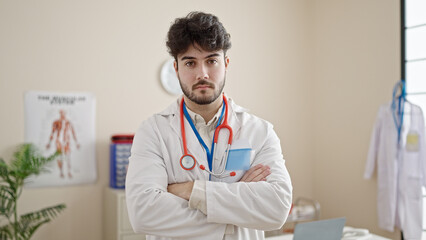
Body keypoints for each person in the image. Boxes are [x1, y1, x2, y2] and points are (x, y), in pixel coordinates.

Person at [125, 11, 292, 240]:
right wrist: (236, 212)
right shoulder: (153, 132)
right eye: (190, 63)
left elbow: (277, 208)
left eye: (211, 60)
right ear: (176, 68)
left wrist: (192, 190)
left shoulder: (260, 132)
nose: (202, 74)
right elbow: (143, 213)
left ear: (226, 63)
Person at [46, 109, 80, 178]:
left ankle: (69, 172)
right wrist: (49, 143)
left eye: (64, 114)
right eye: (61, 114)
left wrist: (76, 143)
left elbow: (73, 133)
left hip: (66, 141)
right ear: (60, 114)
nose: (63, 115)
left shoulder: (69, 123)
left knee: (68, 157)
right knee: (60, 157)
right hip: (59, 141)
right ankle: (61, 172)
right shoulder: (56, 122)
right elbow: (52, 132)